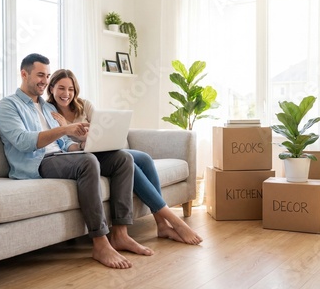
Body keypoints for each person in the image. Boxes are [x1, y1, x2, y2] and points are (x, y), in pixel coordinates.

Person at [0, 53, 153, 270]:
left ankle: (120, 233)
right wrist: (65, 129)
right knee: (88, 163)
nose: (44, 80)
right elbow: (22, 142)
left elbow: (62, 146)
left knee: (122, 158)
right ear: (24, 74)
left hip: (59, 156)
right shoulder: (8, 106)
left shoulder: (48, 108)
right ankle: (100, 242)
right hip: (37, 162)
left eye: (47, 75)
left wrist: (78, 147)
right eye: (40, 75)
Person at [47, 69, 203, 245]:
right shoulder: (49, 112)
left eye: (71, 89)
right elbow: (64, 142)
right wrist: (79, 132)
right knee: (128, 163)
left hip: (102, 148)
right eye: (61, 88)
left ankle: (162, 224)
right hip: (82, 156)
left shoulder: (84, 105)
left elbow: (99, 132)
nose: (66, 94)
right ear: (51, 88)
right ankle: (171, 220)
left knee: (143, 158)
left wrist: (70, 126)